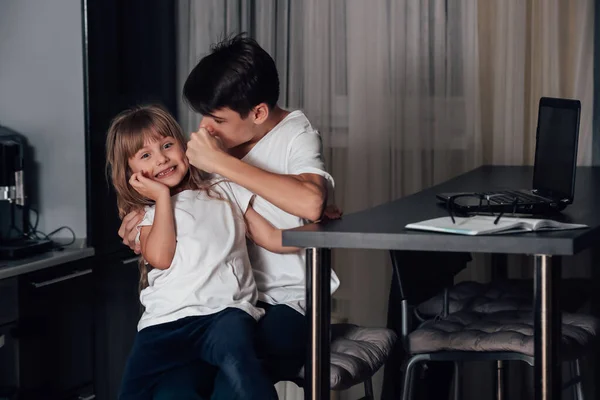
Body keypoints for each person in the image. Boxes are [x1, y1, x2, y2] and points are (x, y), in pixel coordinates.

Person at [118, 34, 340, 398]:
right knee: (175, 385)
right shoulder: (217, 149)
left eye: (217, 118)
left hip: (283, 304)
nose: (206, 127)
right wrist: (142, 221)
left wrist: (221, 164)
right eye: (204, 115)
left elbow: (310, 202)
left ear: (258, 113)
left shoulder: (295, 135)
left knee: (228, 381)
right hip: (220, 301)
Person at [106, 105, 287, 400]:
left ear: (182, 145)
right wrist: (162, 197)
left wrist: (315, 226)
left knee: (241, 364)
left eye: (167, 145)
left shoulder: (223, 188)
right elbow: (161, 257)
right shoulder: (148, 214)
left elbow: (269, 236)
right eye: (146, 155)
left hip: (223, 314)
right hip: (164, 325)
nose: (162, 158)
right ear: (131, 173)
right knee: (134, 392)